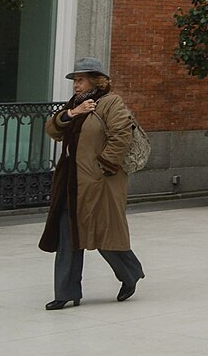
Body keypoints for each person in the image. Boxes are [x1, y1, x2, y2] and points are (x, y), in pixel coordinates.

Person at [39, 57, 144, 309]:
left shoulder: (110, 103)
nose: (76, 85)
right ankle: (66, 293)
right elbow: (52, 130)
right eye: (75, 80)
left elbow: (122, 136)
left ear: (96, 80)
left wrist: (104, 166)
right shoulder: (75, 105)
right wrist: (72, 113)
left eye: (81, 79)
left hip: (101, 183)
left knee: (105, 237)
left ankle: (130, 275)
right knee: (68, 238)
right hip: (70, 183)